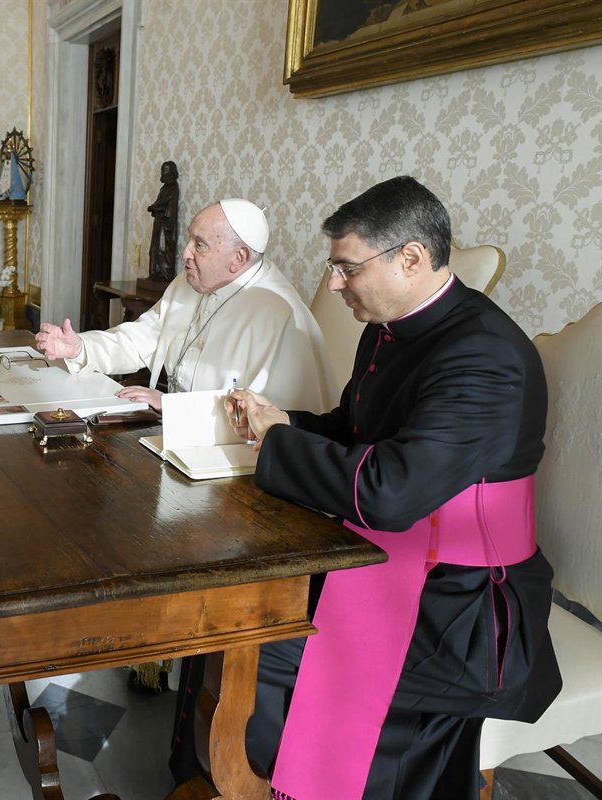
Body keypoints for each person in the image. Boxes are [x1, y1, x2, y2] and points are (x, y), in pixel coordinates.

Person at [221, 176, 560, 799]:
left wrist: (279, 443)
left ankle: (259, 786)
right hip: (392, 558)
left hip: (463, 608)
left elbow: (388, 493)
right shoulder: (389, 327)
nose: (333, 283)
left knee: (260, 646)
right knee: (236, 603)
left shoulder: (485, 355)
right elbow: (355, 431)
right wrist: (281, 424)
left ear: (410, 257)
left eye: (347, 267)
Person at [36, 199, 337, 414]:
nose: (185, 253)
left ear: (239, 258)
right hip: (175, 431)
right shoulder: (190, 283)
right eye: (190, 239)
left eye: (199, 245)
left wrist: (173, 406)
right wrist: (80, 348)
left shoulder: (279, 315)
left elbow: (267, 417)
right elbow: (142, 339)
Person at [146, 161, 180, 283]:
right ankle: (154, 272)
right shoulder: (165, 188)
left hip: (166, 225)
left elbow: (168, 206)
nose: (163, 172)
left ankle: (164, 274)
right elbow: (160, 203)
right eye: (162, 170)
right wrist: (154, 207)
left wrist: (155, 208)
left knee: (162, 248)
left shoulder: (172, 187)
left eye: (165, 170)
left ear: (171, 172)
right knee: (155, 248)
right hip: (159, 222)